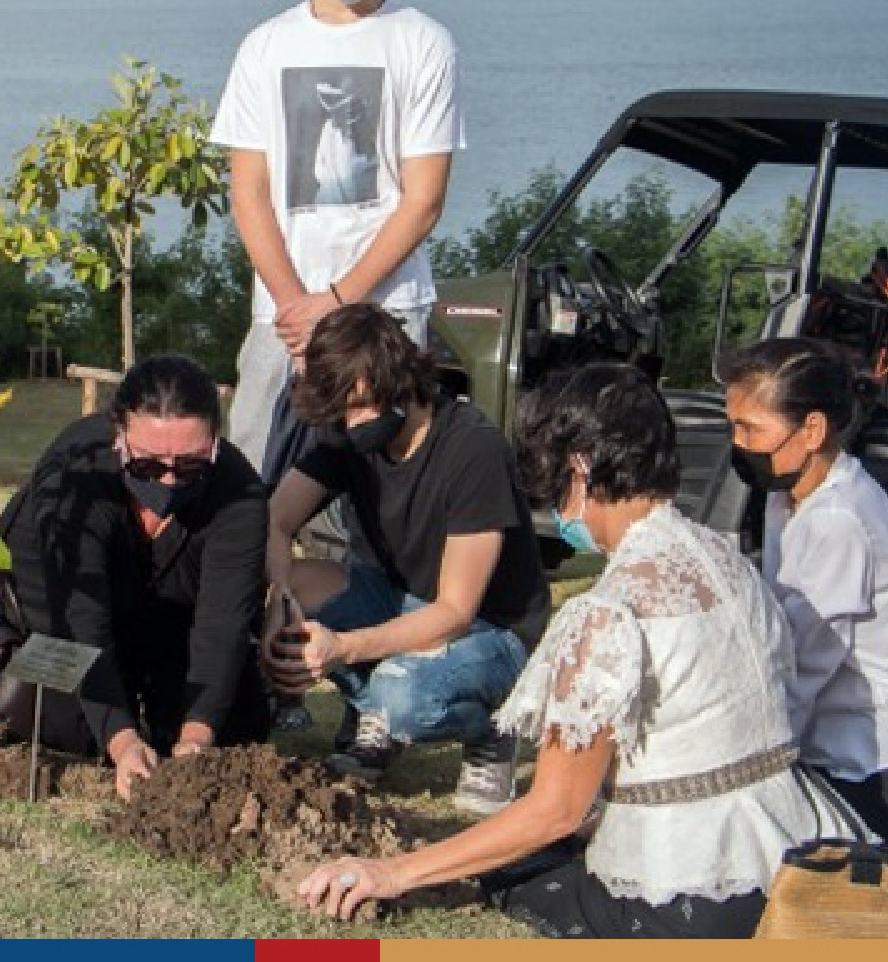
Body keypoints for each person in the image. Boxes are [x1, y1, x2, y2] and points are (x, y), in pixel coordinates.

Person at [299, 363, 852, 938]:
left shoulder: (608, 614)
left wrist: (391, 873)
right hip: (785, 857)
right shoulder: (728, 563)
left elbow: (554, 811)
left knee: (517, 876)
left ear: (579, 470)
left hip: (690, 889)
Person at [210, 0, 463, 478]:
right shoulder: (265, 47)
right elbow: (249, 193)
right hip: (281, 317)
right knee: (253, 478)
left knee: (386, 484)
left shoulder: (424, 43)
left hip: (388, 312)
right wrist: (297, 309)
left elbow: (424, 199)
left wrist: (336, 300)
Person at [261, 305, 548, 814]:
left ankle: (489, 731)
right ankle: (374, 714)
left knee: (403, 697)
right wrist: (279, 602)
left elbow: (455, 611)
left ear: (402, 382)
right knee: (296, 588)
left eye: (361, 406)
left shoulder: (472, 448)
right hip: (396, 597)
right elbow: (276, 520)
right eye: (339, 411)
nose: (351, 424)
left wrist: (342, 648)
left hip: (489, 628)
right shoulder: (345, 431)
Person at [720, 338, 888, 863]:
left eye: (750, 429)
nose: (737, 443)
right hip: (840, 746)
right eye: (732, 427)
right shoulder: (789, 495)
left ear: (812, 430)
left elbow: (792, 676)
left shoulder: (838, 520)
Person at [1, 354, 273, 801]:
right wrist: (122, 740)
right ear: (118, 435)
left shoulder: (238, 491)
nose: (168, 481)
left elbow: (223, 624)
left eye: (190, 466)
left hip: (170, 631)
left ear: (215, 442)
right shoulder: (73, 473)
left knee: (237, 724)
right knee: (70, 728)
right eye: (147, 466)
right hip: (66, 631)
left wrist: (197, 738)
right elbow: (79, 620)